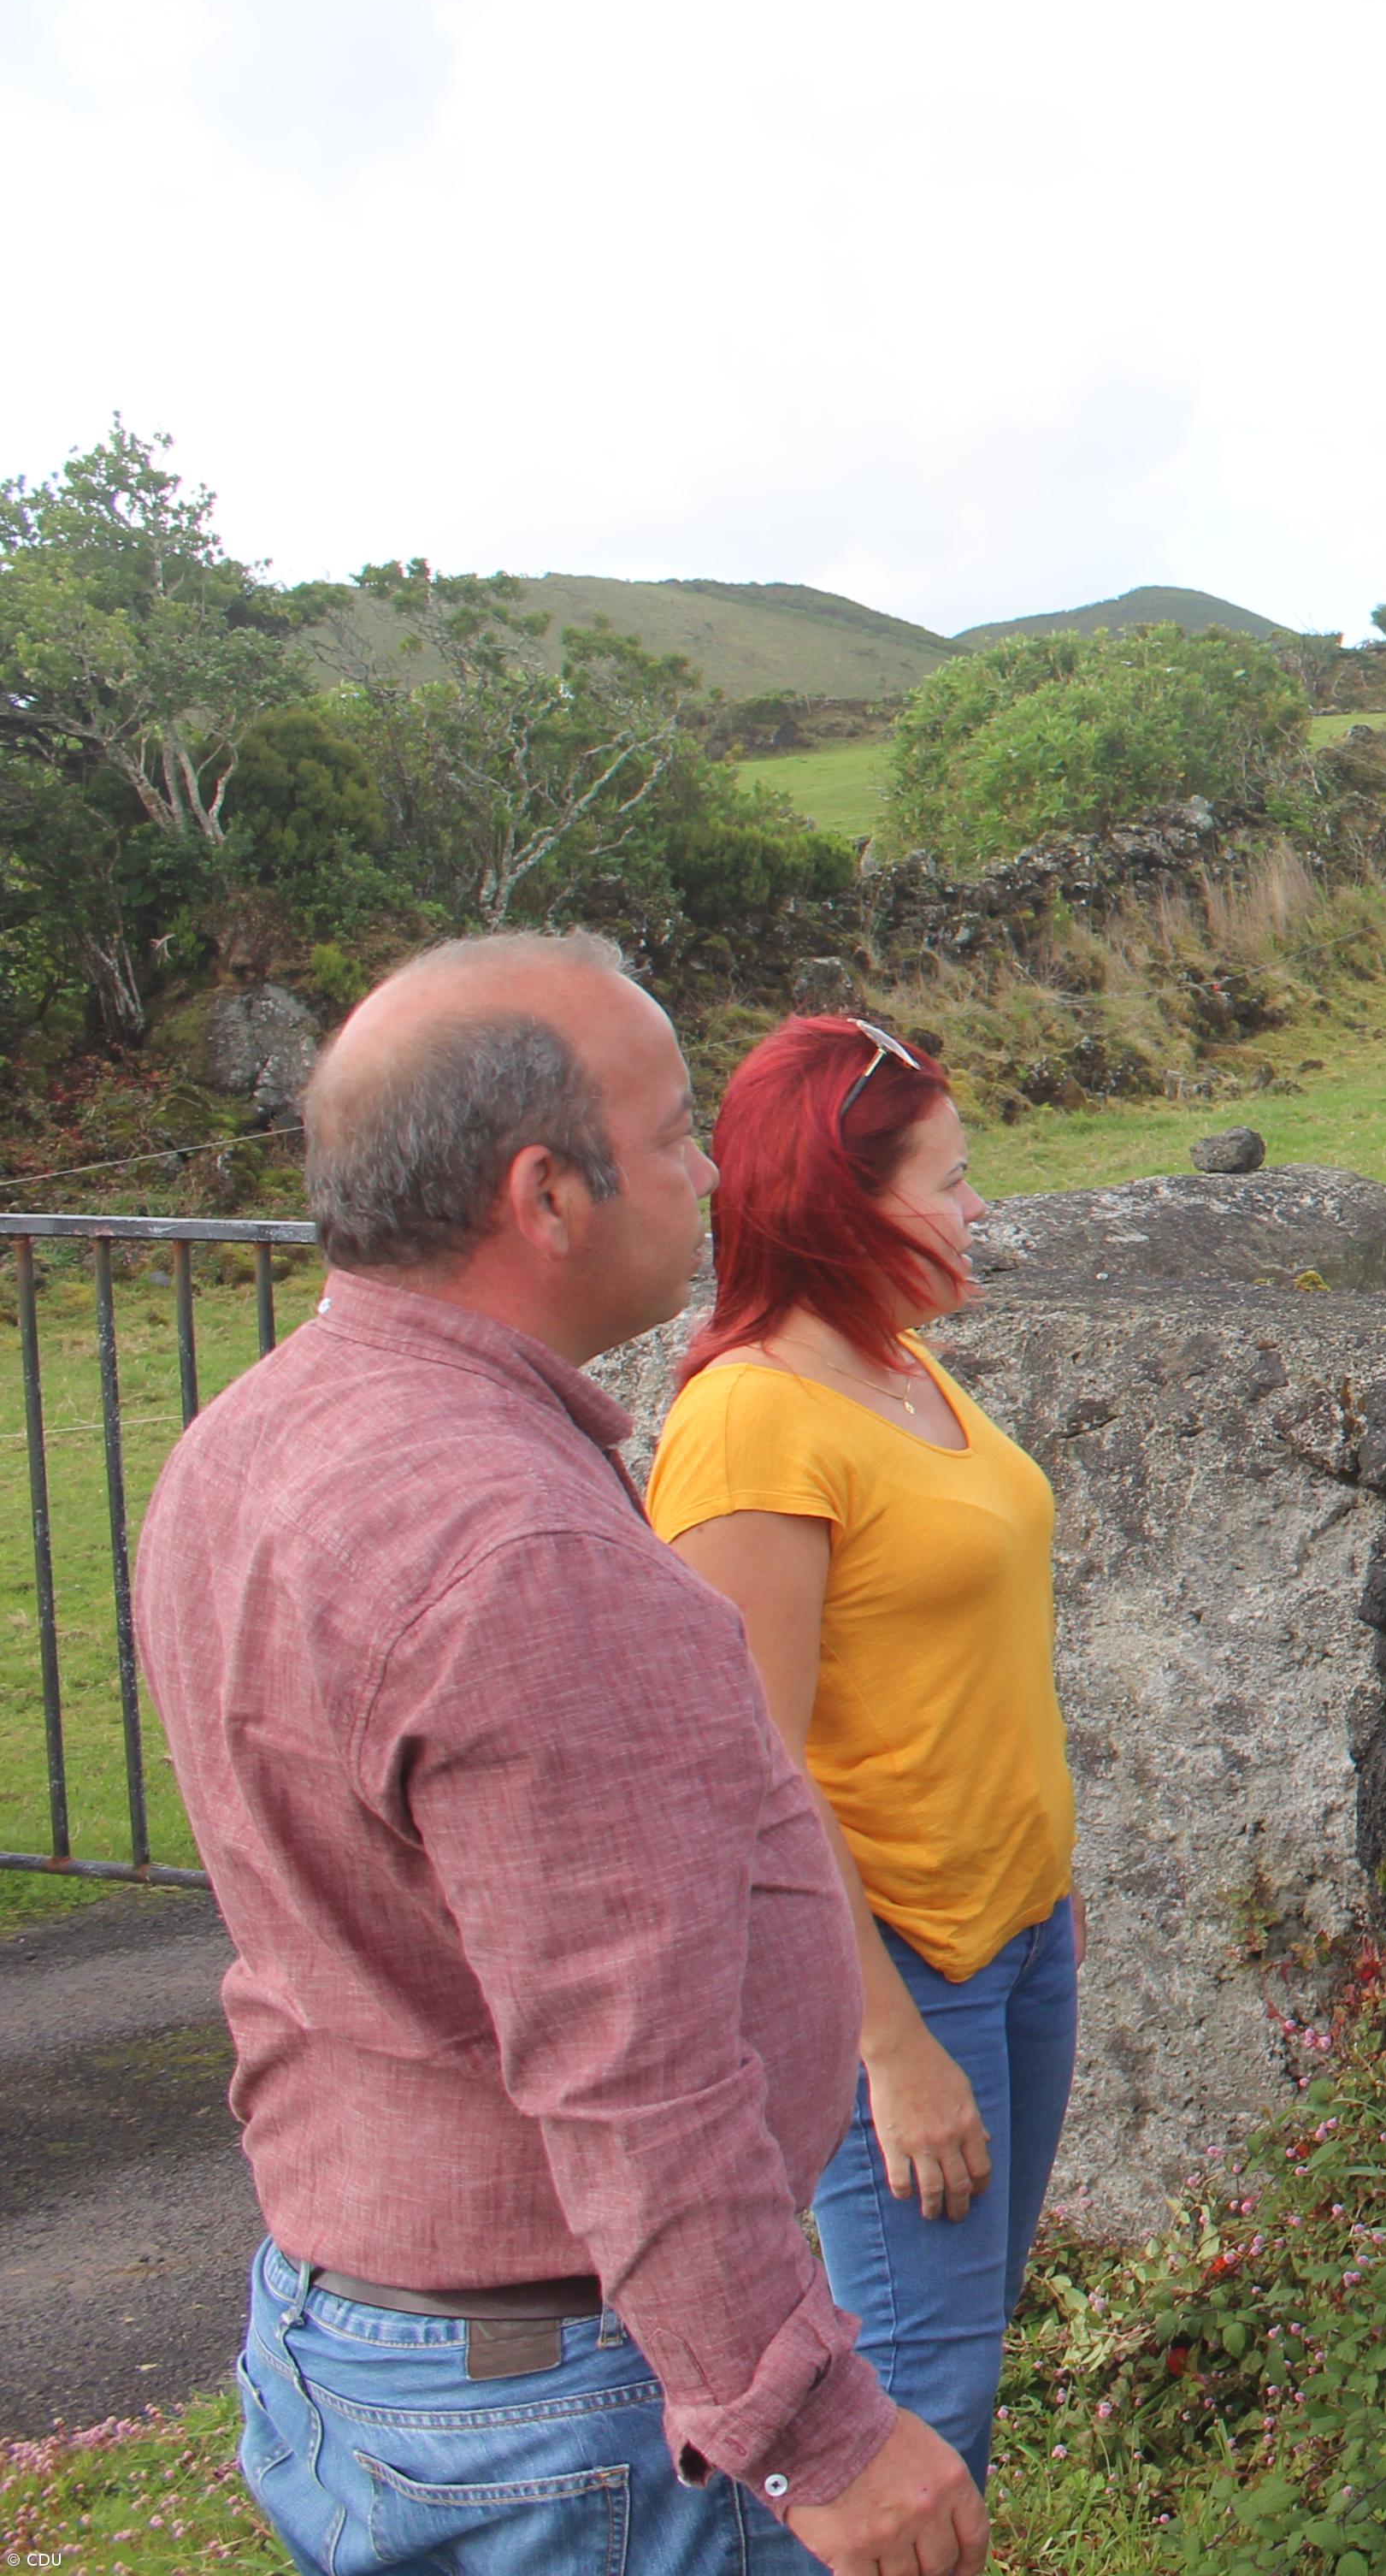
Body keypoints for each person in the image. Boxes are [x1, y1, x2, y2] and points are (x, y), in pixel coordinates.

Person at [135, 930, 982, 2576]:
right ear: (547, 1196)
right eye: (671, 1136)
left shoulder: (250, 1435)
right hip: (565, 2407)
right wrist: (817, 2436)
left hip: (356, 2325)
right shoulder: (527, 1555)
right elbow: (639, 2080)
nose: (711, 1177)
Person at [649, 1013, 1076, 2490]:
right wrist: (885, 2048)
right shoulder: (751, 1426)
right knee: (912, 2409)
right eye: (948, 1182)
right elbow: (752, 1777)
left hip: (1015, 1937)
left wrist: (1047, 1892)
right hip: (895, 1975)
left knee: (960, 2354)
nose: (978, 1209)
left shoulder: (897, 1369)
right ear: (844, 1204)